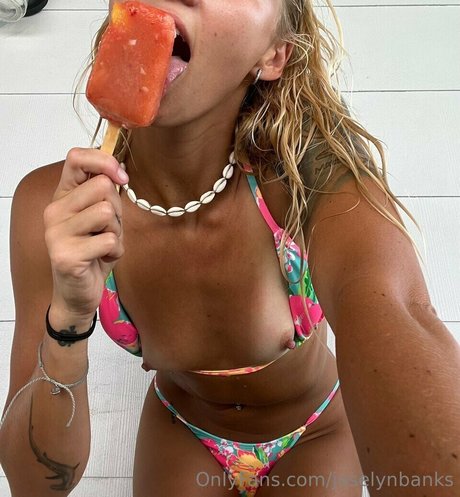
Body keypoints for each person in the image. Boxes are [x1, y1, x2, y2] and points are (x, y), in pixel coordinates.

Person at [1, 0, 459, 496]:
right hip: (183, 428)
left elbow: (400, 314)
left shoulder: (312, 191)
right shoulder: (55, 210)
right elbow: (33, 485)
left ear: (273, 55)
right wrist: (68, 316)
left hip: (317, 429)